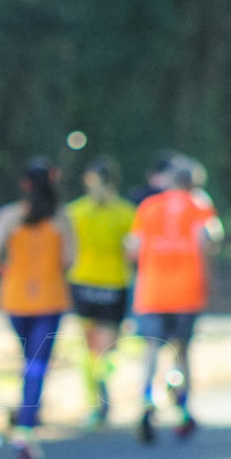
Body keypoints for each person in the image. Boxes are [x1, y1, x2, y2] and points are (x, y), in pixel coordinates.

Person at [0, 157, 74, 459]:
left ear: (24, 184)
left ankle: (28, 414)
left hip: (15, 298)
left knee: (29, 359)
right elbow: (70, 259)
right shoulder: (61, 218)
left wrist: (7, 272)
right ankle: (26, 427)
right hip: (49, 297)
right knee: (37, 362)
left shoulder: (9, 215)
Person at [126, 163, 222, 443]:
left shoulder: (149, 206)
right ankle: (182, 408)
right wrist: (210, 281)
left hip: (153, 289)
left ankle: (147, 401)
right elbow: (209, 240)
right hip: (186, 289)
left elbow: (133, 246)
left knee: (153, 347)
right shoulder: (199, 205)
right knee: (181, 349)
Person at [66, 156, 137, 430]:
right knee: (93, 347)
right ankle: (96, 399)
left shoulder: (123, 212)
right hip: (90, 282)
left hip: (106, 283)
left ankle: (100, 391)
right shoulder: (79, 212)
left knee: (103, 349)